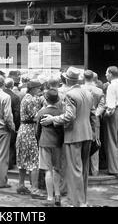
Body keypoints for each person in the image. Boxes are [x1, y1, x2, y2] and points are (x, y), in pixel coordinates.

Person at [41, 67, 96, 207]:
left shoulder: (70, 94)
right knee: (83, 169)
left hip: (74, 135)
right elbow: (93, 115)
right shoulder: (88, 93)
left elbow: (69, 116)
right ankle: (83, 200)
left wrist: (53, 119)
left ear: (67, 79)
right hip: (87, 134)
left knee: (74, 170)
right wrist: (94, 133)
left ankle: (77, 202)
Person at [36, 89, 65, 207]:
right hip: (57, 143)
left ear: (46, 99)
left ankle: (49, 197)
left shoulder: (41, 112)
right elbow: (63, 130)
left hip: (44, 142)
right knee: (57, 169)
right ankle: (57, 195)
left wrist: (39, 141)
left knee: (48, 170)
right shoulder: (60, 112)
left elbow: (37, 131)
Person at [16, 80, 44, 198]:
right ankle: (34, 189)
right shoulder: (31, 99)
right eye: (39, 88)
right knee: (34, 161)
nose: (40, 90)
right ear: (34, 89)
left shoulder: (25, 98)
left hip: (22, 130)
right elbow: (35, 116)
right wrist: (44, 110)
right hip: (30, 131)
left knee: (22, 160)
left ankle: (21, 185)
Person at [81, 70, 106, 176]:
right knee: (95, 145)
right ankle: (95, 171)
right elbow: (102, 105)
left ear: (84, 77)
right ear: (93, 78)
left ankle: (83, 171)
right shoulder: (99, 91)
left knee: (82, 146)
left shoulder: (80, 89)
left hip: (82, 120)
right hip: (95, 121)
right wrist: (96, 114)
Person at [4, 77, 21, 170]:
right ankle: (9, 164)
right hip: (11, 124)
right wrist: (16, 126)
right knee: (10, 145)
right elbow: (17, 113)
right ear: (12, 85)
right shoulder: (15, 97)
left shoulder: (1, 94)